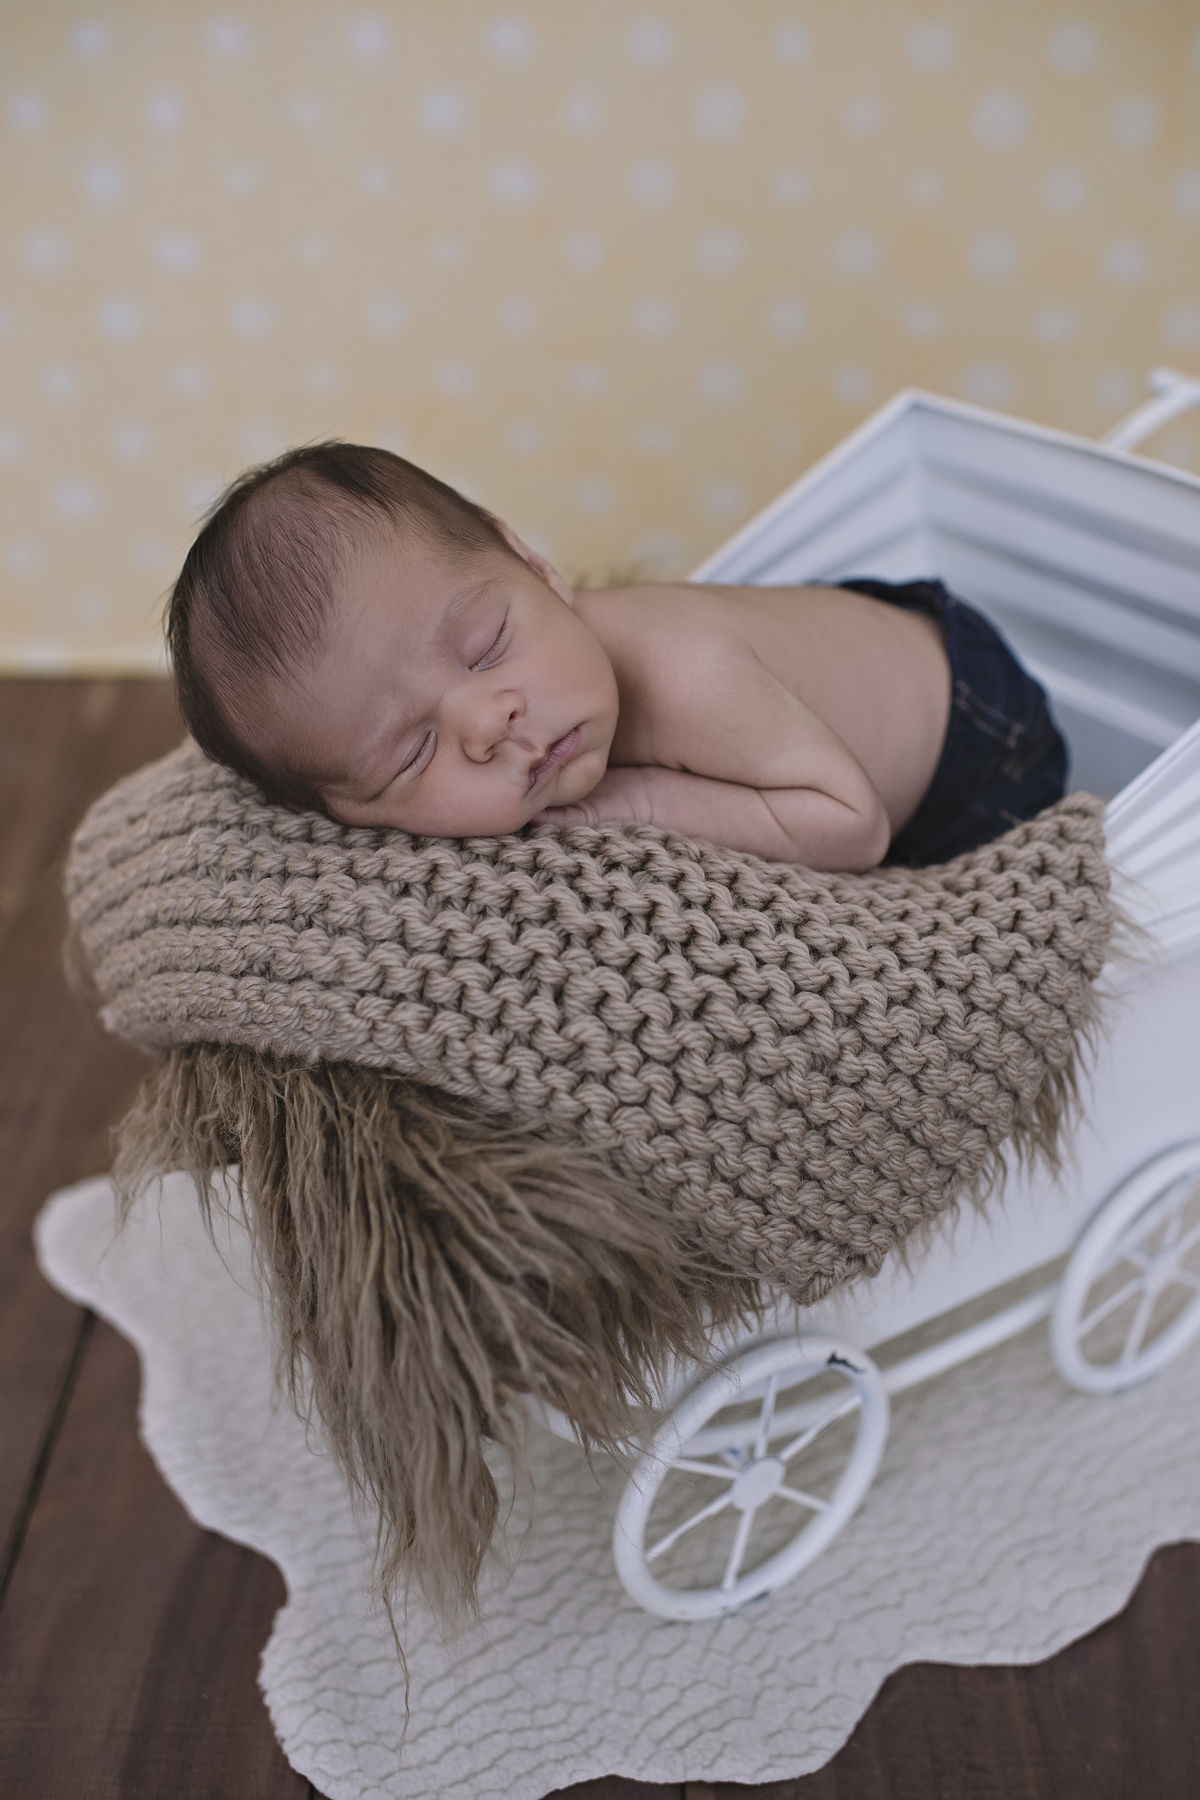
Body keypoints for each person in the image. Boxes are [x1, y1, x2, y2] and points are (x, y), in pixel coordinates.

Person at [168, 440, 1066, 871]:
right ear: (347, 814)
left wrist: (628, 805)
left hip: (969, 731)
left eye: (485, 647)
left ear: (533, 565)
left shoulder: (687, 671)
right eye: (410, 753)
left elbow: (853, 825)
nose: (487, 723)